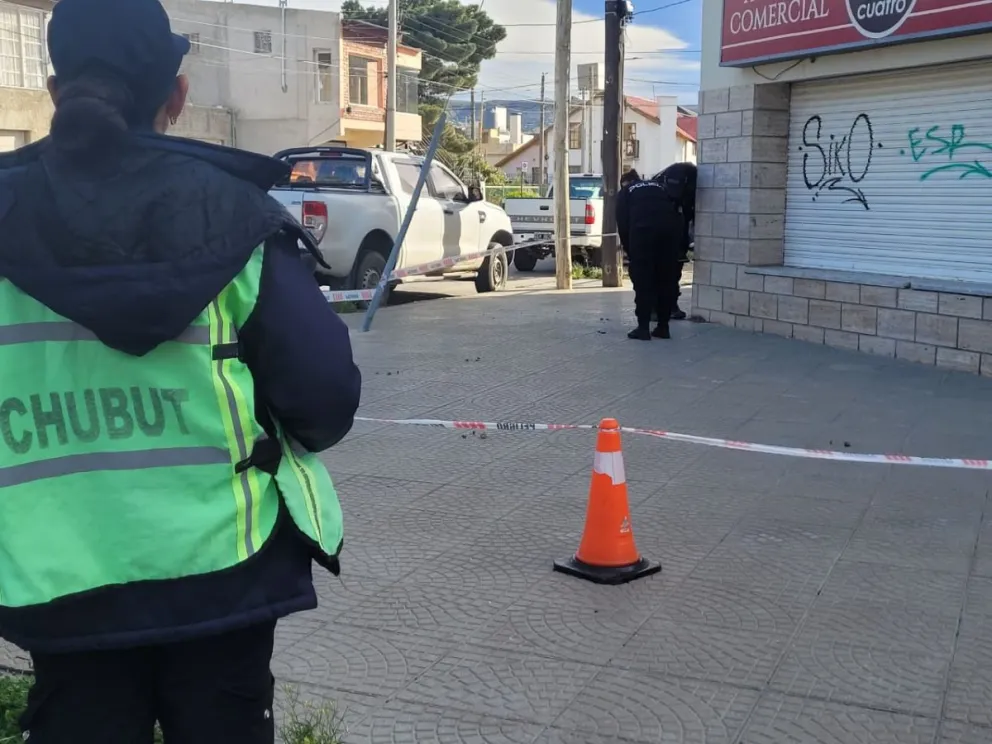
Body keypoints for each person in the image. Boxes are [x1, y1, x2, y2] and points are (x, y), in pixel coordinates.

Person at [0, 0, 361, 742]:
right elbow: (325, 399)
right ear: (177, 94)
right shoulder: (238, 218)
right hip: (222, 573)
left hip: (54, 579)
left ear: (56, 90)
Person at [616, 168, 684, 340]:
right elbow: (677, 211)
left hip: (643, 235)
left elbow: (622, 224)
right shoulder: (660, 186)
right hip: (669, 235)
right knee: (666, 281)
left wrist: (630, 251)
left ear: (625, 183)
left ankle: (643, 328)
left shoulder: (625, 192)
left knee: (643, 282)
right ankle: (663, 327)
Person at [654, 162, 697, 320]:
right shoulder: (683, 184)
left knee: (666, 273)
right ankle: (666, 307)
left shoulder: (662, 184)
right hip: (671, 239)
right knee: (669, 274)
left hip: (670, 239)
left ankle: (663, 308)